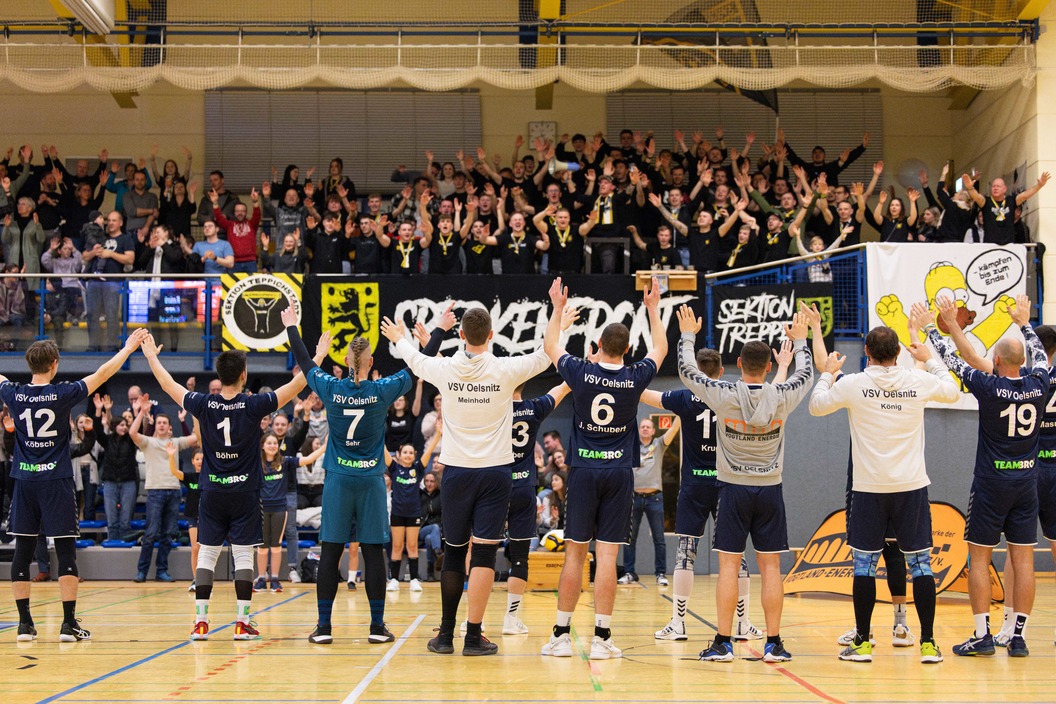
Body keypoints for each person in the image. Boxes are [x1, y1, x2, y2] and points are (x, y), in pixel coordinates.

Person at [381, 301, 553, 657]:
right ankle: (473, 636)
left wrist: (400, 338)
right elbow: (547, 354)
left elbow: (414, 360)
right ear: (491, 335)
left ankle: (446, 635)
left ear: (461, 334)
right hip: (496, 474)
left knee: (454, 553)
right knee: (485, 555)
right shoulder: (506, 370)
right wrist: (558, 316)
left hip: (456, 473)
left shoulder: (445, 369)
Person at [282, 302, 449, 645]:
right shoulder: (381, 389)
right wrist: (439, 332)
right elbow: (419, 365)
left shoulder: (330, 387)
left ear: (346, 361)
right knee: (373, 552)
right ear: (371, 363)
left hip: (338, 480)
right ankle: (376, 626)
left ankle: (324, 628)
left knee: (331, 550)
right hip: (371, 480)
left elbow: (304, 361)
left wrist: (292, 327)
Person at [140, 335, 326, 642]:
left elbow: (167, 384)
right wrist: (316, 357)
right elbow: (297, 385)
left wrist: (151, 357)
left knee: (207, 555)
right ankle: (242, 623)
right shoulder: (253, 404)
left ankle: (201, 623)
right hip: (245, 493)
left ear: (219, 375)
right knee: (243, 555)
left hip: (212, 492)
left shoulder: (203, 403)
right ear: (243, 375)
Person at [809, 311, 960, 664]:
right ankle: (928, 644)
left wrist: (828, 373)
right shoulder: (917, 380)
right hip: (911, 487)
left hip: (868, 489)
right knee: (920, 565)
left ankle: (863, 643)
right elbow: (953, 391)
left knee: (863, 566)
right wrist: (929, 359)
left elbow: (816, 406)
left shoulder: (854, 384)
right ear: (899, 352)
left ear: (866, 352)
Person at [540, 275, 666, 661]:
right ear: (627, 349)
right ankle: (602, 639)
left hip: (583, 471)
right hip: (619, 474)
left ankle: (561, 635)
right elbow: (661, 347)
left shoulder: (581, 371)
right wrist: (652, 308)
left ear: (598, 345)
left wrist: (558, 309)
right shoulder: (635, 376)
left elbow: (550, 345)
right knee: (608, 557)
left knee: (575, 555)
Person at [677, 305, 812, 663]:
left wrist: (688, 336)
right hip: (770, 490)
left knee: (728, 568)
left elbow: (688, 371)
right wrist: (801, 341)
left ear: (738, 363)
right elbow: (806, 374)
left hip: (732, 490)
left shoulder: (722, 394)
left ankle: (723, 643)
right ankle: (774, 643)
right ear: (769, 367)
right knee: (771, 569)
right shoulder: (782, 396)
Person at [917, 296, 1046, 657]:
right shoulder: (1040, 384)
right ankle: (1017, 636)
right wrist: (1024, 322)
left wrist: (933, 326)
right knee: (1024, 560)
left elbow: (953, 360)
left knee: (979, 558)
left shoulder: (989, 387)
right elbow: (1038, 353)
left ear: (997, 362)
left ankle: (982, 634)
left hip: (991, 484)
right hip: (1027, 483)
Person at [2, 329, 148, 643]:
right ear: (54, 363)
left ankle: (25, 624)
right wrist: (127, 348)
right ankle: (68, 624)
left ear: (29, 364)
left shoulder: (13, 393)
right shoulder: (63, 393)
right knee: (66, 551)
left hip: (24, 481)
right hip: (56, 481)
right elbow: (103, 372)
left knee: (23, 552)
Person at [645, 346, 781, 642]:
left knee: (685, 552)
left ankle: (678, 623)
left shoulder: (684, 397)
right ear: (721, 371)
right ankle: (742, 623)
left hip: (693, 485)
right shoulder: (732, 395)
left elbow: (645, 395)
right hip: (726, 483)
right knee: (735, 555)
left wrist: (621, 380)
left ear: (695, 372)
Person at [506, 379, 570, 635]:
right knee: (520, 558)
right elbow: (561, 388)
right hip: (523, 487)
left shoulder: (491, 408)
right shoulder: (533, 408)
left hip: (495, 486)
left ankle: (475, 622)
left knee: (482, 554)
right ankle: (511, 620)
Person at [129, 394, 198, 583]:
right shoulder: (148, 443)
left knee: (168, 534)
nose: (161, 425)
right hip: (155, 491)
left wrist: (195, 414)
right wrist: (142, 412)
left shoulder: (175, 442)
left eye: (164, 423)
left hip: (174, 492)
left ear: (169, 427)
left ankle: (162, 571)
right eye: (158, 422)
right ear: (156, 425)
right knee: (150, 533)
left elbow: (196, 438)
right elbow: (132, 433)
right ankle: (142, 572)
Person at [254, 433, 325, 593]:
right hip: (261, 509)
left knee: (276, 546)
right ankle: (261, 579)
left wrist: (324, 447)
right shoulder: (256, 463)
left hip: (280, 509)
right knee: (262, 547)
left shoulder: (285, 461)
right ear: (263, 446)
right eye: (269, 443)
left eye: (275, 443)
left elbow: (308, 459)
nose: (272, 446)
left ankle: (274, 579)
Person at [619, 416, 680, 587]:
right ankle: (629, 573)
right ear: (638, 430)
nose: (645, 429)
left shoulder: (659, 444)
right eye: (642, 427)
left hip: (654, 498)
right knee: (629, 538)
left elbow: (674, 429)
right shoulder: (631, 445)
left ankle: (660, 574)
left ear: (653, 431)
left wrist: (682, 411)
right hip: (634, 498)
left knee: (659, 538)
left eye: (648, 427)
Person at [383, 430, 441, 591]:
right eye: (405, 452)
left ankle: (414, 579)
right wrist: (377, 429)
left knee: (412, 546)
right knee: (397, 546)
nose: (408, 455)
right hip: (397, 513)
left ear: (414, 455)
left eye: (410, 453)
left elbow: (429, 451)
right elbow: (383, 449)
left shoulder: (418, 469)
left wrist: (438, 433)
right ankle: (394, 579)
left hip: (413, 513)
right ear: (399, 455)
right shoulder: (394, 468)